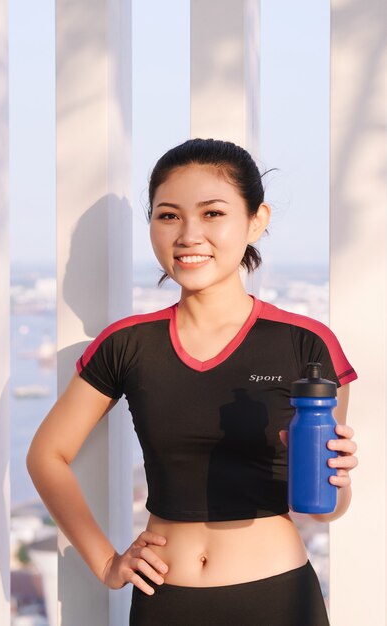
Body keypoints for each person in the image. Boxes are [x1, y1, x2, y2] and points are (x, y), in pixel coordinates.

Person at [27, 138, 358, 626]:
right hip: (167, 601)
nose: (188, 234)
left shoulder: (306, 344)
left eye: (212, 213)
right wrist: (106, 561)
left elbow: (327, 510)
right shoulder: (128, 344)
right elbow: (46, 456)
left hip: (278, 598)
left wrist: (339, 476)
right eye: (168, 216)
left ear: (256, 220)